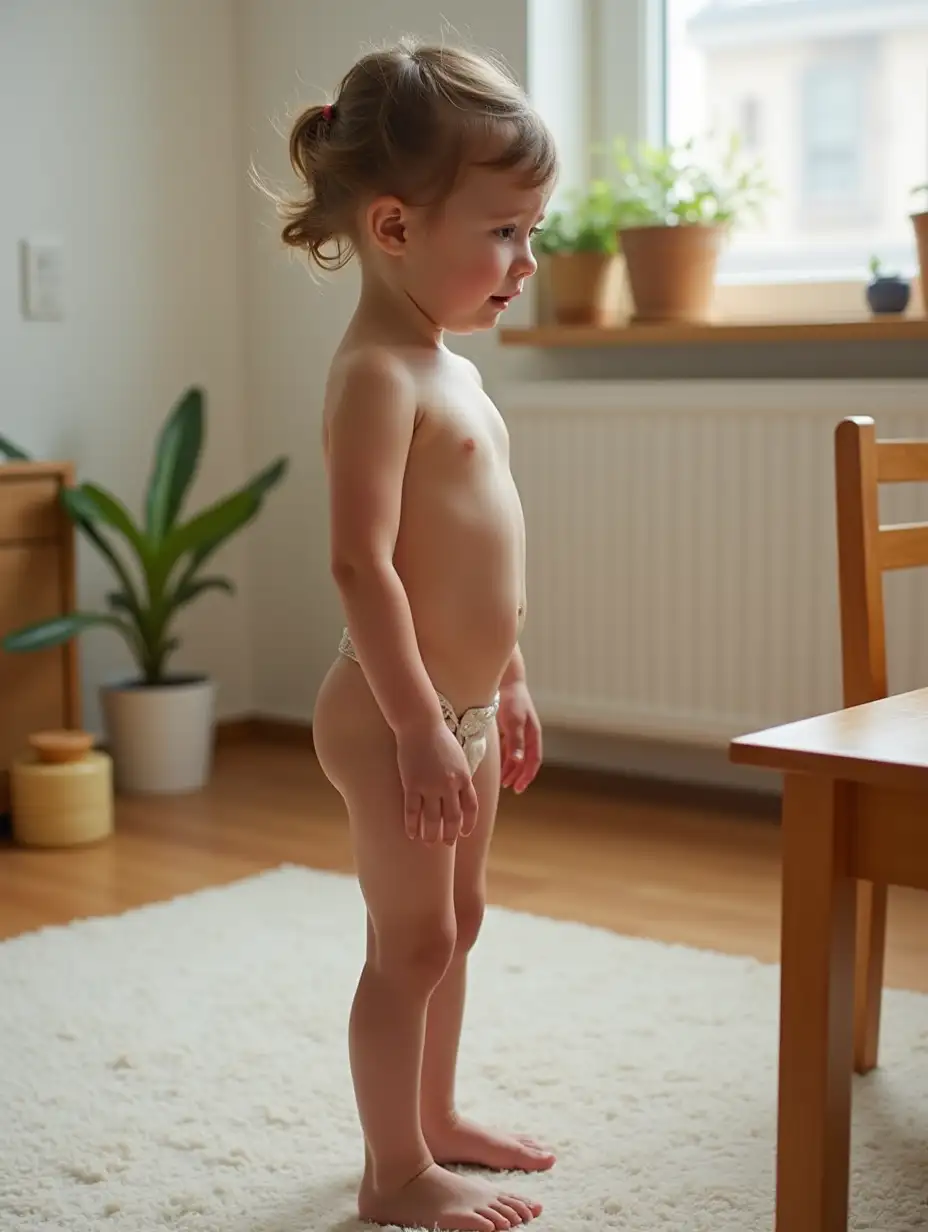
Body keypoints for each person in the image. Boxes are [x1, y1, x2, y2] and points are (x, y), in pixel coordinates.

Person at [273, 37, 557, 1232]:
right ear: (392, 228)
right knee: (411, 939)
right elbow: (363, 565)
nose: (524, 263)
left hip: (464, 710)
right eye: (500, 233)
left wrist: (509, 680)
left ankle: (434, 1115)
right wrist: (419, 726)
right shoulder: (378, 376)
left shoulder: (451, 370)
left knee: (463, 920)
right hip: (395, 716)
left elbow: (479, 559)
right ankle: (392, 1173)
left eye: (532, 233)